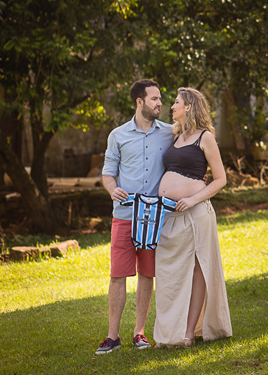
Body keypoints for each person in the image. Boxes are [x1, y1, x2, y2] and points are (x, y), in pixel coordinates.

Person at [97, 79, 172, 354]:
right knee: (118, 275)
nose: (160, 103)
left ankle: (139, 333)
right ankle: (112, 336)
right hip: (125, 215)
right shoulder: (117, 135)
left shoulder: (169, 133)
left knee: (146, 275)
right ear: (140, 102)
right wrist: (112, 188)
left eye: (160, 98)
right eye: (154, 99)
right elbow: (108, 172)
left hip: (153, 218)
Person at [154, 87, 232, 348]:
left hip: (196, 212)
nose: (171, 106)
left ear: (189, 107)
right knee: (170, 273)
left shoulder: (205, 137)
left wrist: (192, 199)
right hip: (170, 216)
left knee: (198, 270)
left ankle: (188, 332)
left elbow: (221, 179)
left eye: (176, 102)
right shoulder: (175, 136)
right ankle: (168, 333)